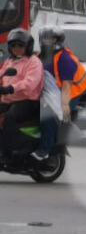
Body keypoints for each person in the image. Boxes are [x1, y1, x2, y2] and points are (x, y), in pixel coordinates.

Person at [35, 25, 86, 160]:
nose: (47, 41)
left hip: (72, 92)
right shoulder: (42, 56)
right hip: (55, 91)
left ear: (57, 40)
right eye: (45, 38)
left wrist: (64, 105)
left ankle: (45, 149)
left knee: (48, 116)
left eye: (51, 39)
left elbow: (67, 84)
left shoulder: (64, 58)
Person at [0, 29, 44, 163]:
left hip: (27, 101)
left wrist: (11, 88)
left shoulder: (33, 62)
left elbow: (29, 83)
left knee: (8, 118)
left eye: (20, 45)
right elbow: (2, 73)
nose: (17, 49)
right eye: (13, 45)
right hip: (9, 100)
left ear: (28, 46)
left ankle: (8, 153)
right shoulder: (10, 61)